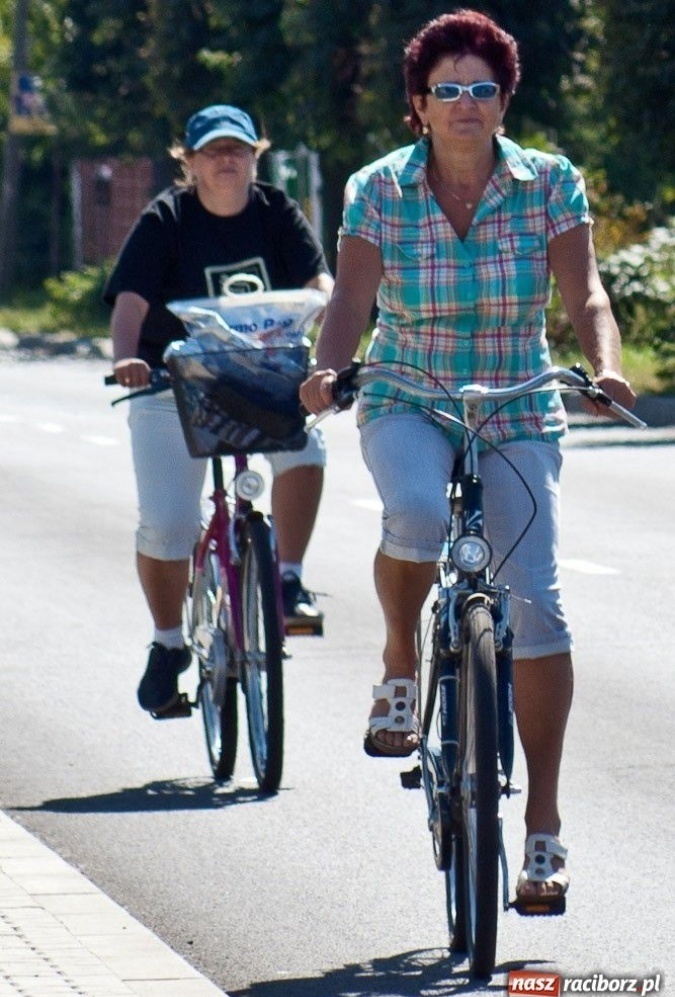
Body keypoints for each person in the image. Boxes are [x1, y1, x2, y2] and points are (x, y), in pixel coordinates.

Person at [300, 10, 636, 910]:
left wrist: (603, 365)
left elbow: (585, 292)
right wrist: (327, 369)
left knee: (538, 606)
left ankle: (542, 829)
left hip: (516, 401)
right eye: (445, 89)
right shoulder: (377, 188)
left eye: (482, 88)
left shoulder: (548, 181)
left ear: (502, 102)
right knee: (414, 513)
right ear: (418, 104)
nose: (465, 103)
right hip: (409, 394)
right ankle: (399, 664)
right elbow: (353, 301)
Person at [105, 104, 334, 717]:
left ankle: (287, 577)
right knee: (168, 524)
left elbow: (319, 282)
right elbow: (130, 304)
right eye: (212, 150)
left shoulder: (276, 211)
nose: (226, 159)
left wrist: (321, 315)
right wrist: (127, 358)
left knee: (307, 448)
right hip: (170, 384)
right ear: (190, 161)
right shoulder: (166, 219)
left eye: (238, 149)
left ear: (256, 156)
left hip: (262, 376)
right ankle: (167, 643)